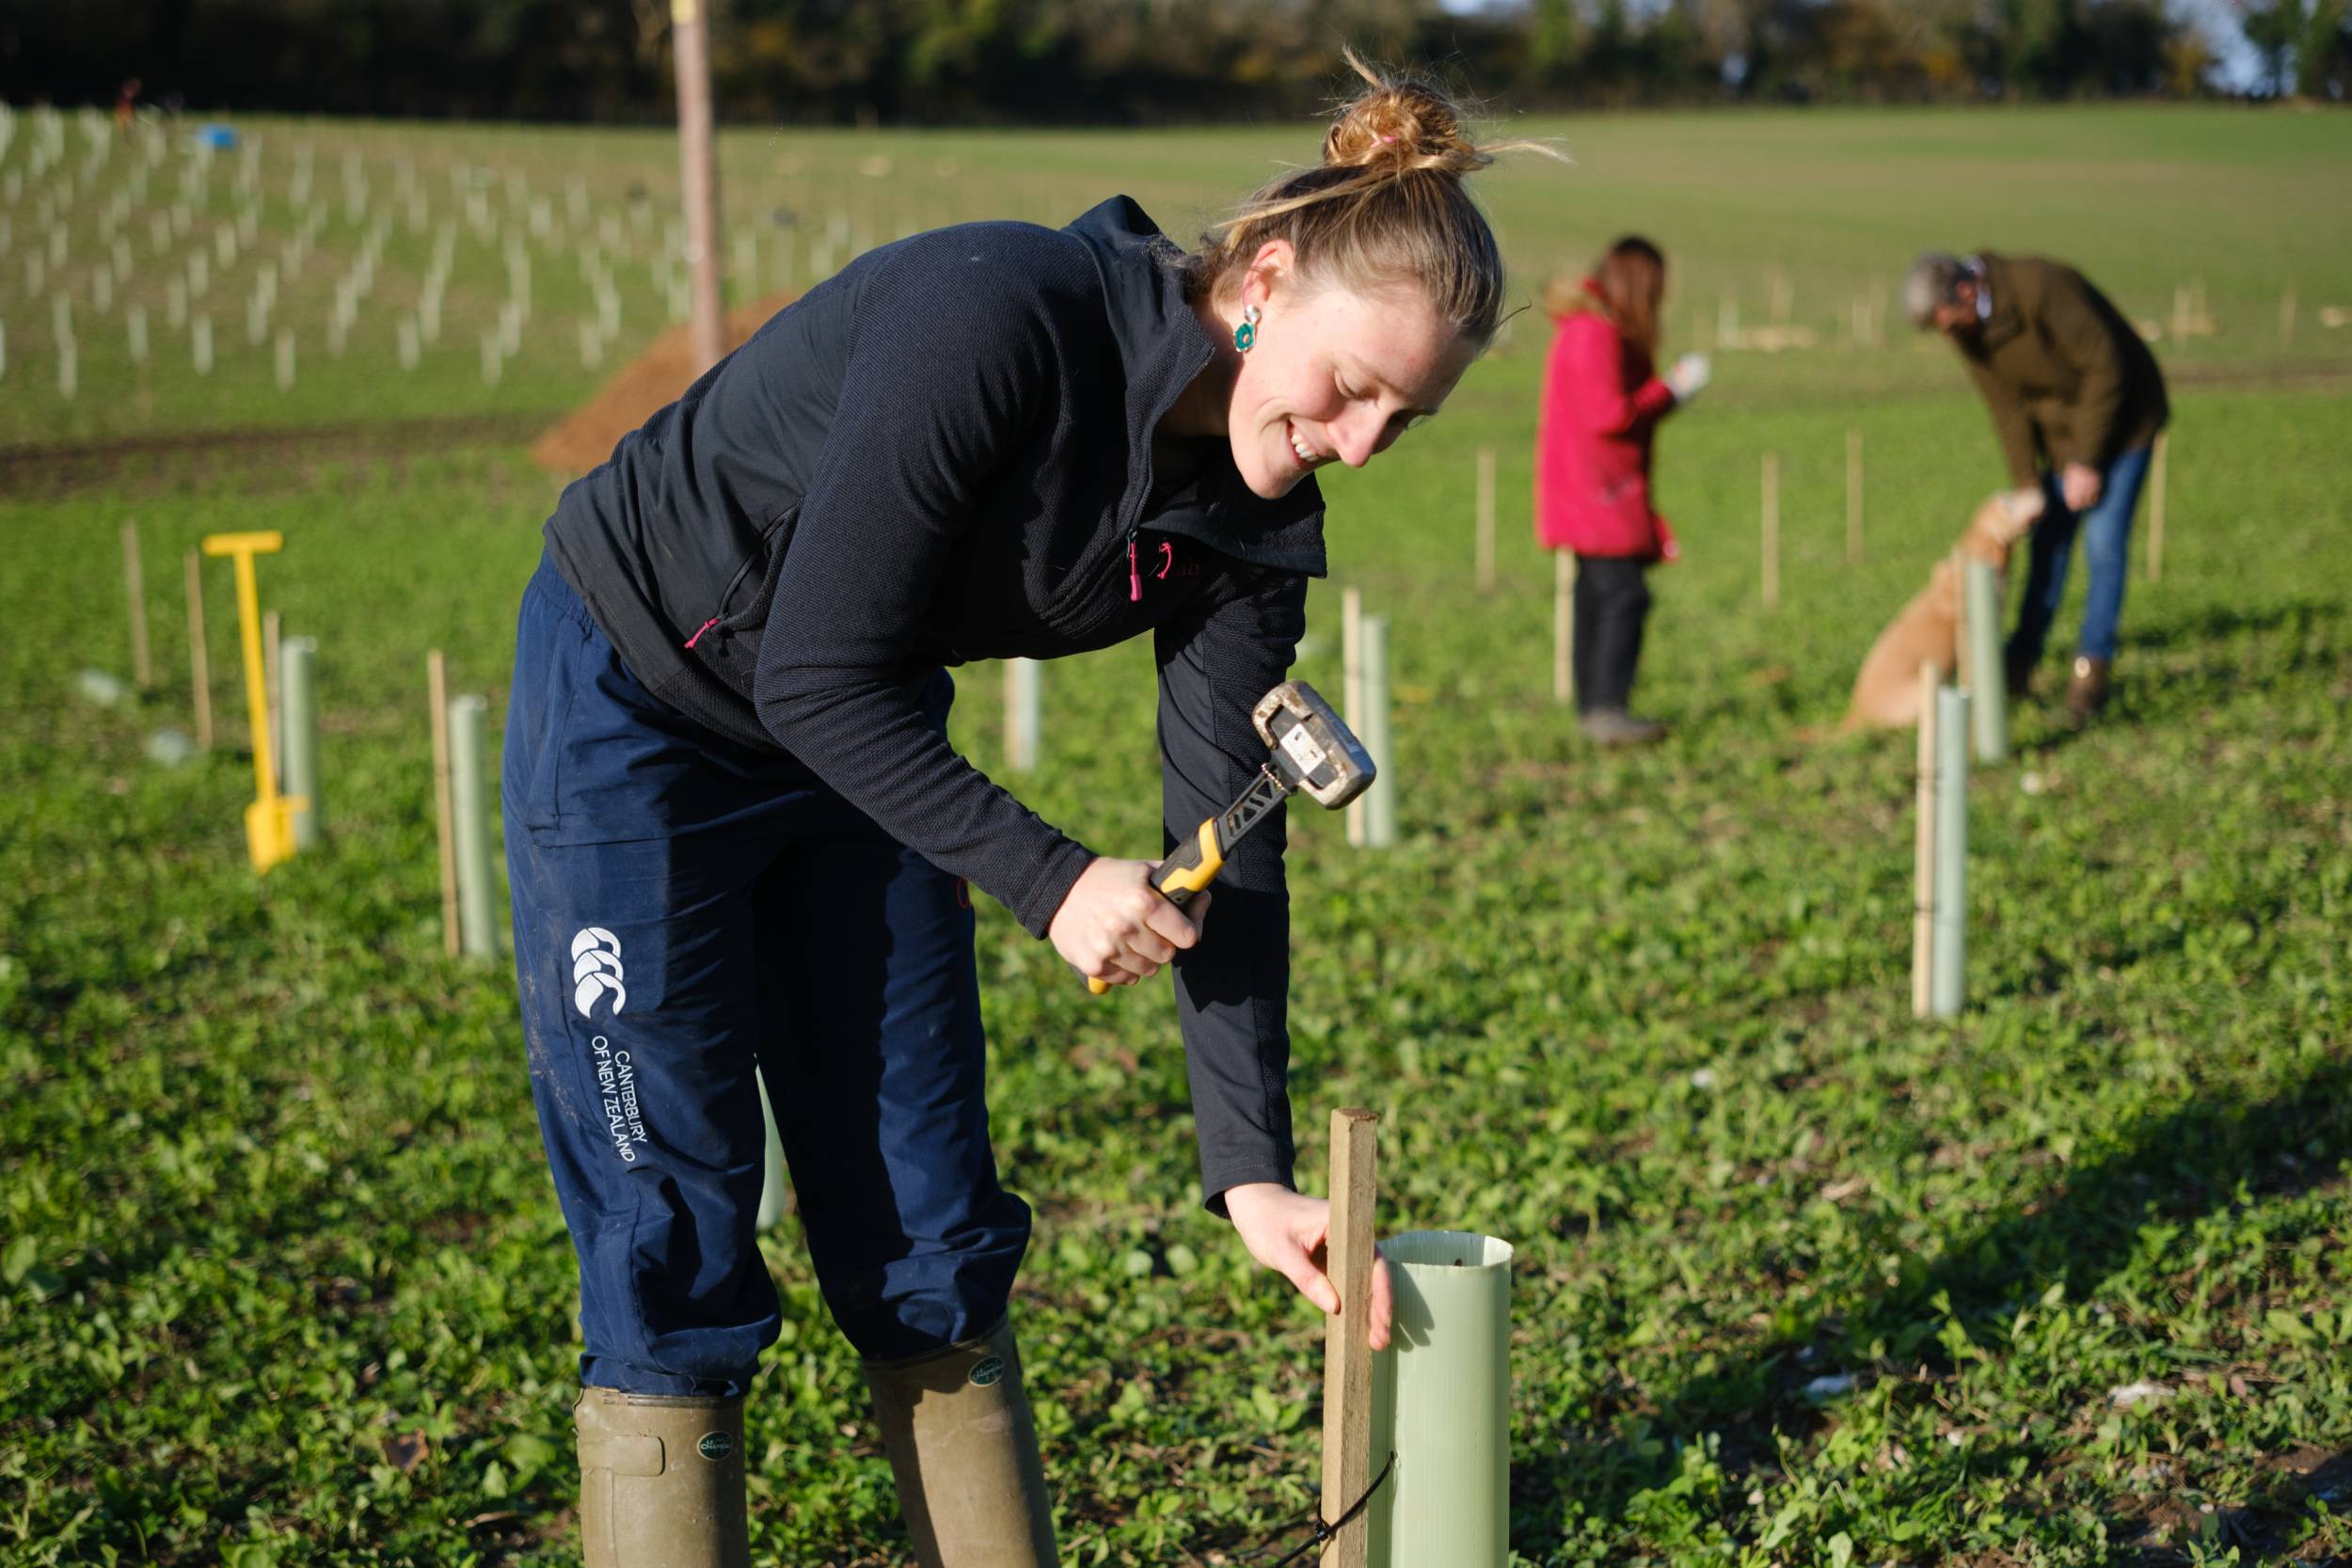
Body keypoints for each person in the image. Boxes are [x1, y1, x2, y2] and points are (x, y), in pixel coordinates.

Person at [503, 53, 1539, 1568]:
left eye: (1409, 417)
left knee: (930, 1227)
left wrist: (1247, 1160)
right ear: (1263, 280)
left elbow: (1229, 827)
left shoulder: (1248, 532)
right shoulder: (997, 314)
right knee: (672, 1230)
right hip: (643, 705)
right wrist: (1053, 878)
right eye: (1353, 385)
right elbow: (812, 667)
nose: (1365, 440)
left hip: (856, 748)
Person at [1904, 251, 2169, 721]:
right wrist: (2028, 484)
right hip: (2065, 438)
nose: (1948, 335)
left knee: (2104, 545)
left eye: (1947, 322)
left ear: (1966, 291)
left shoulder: (2041, 288)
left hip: (2125, 422)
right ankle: (2019, 663)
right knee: (2048, 546)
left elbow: (2105, 367)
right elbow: (2006, 408)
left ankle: (2090, 672)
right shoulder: (1967, 331)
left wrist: (2087, 462)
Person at [1534, 236, 1708, 746]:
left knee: (1598, 594)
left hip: (1588, 490)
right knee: (1623, 597)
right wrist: (1671, 388)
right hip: (1599, 494)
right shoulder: (1596, 333)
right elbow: (1611, 414)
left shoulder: (1584, 328)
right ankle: (1606, 710)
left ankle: (1595, 710)